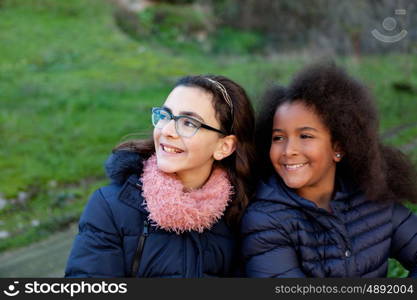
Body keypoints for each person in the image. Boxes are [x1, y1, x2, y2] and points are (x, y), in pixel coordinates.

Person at [65, 75, 255, 277]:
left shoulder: (239, 214)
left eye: (189, 123)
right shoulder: (110, 206)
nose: (167, 130)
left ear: (224, 146)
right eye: (165, 116)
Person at [241, 63, 417, 277]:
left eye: (305, 136)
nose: (288, 150)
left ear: (339, 147)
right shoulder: (264, 220)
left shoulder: (372, 196)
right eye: (278, 138)